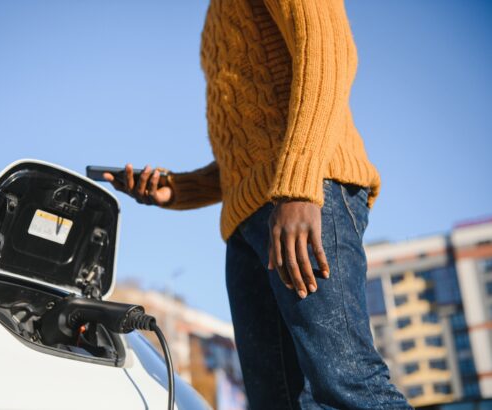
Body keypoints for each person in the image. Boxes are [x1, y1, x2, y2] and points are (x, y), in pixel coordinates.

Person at [104, 0, 411, 408]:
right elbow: (254, 147)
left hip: (306, 197)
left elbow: (328, 49)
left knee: (347, 385)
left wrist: (298, 188)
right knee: (277, 401)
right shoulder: (215, 15)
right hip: (249, 222)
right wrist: (180, 189)